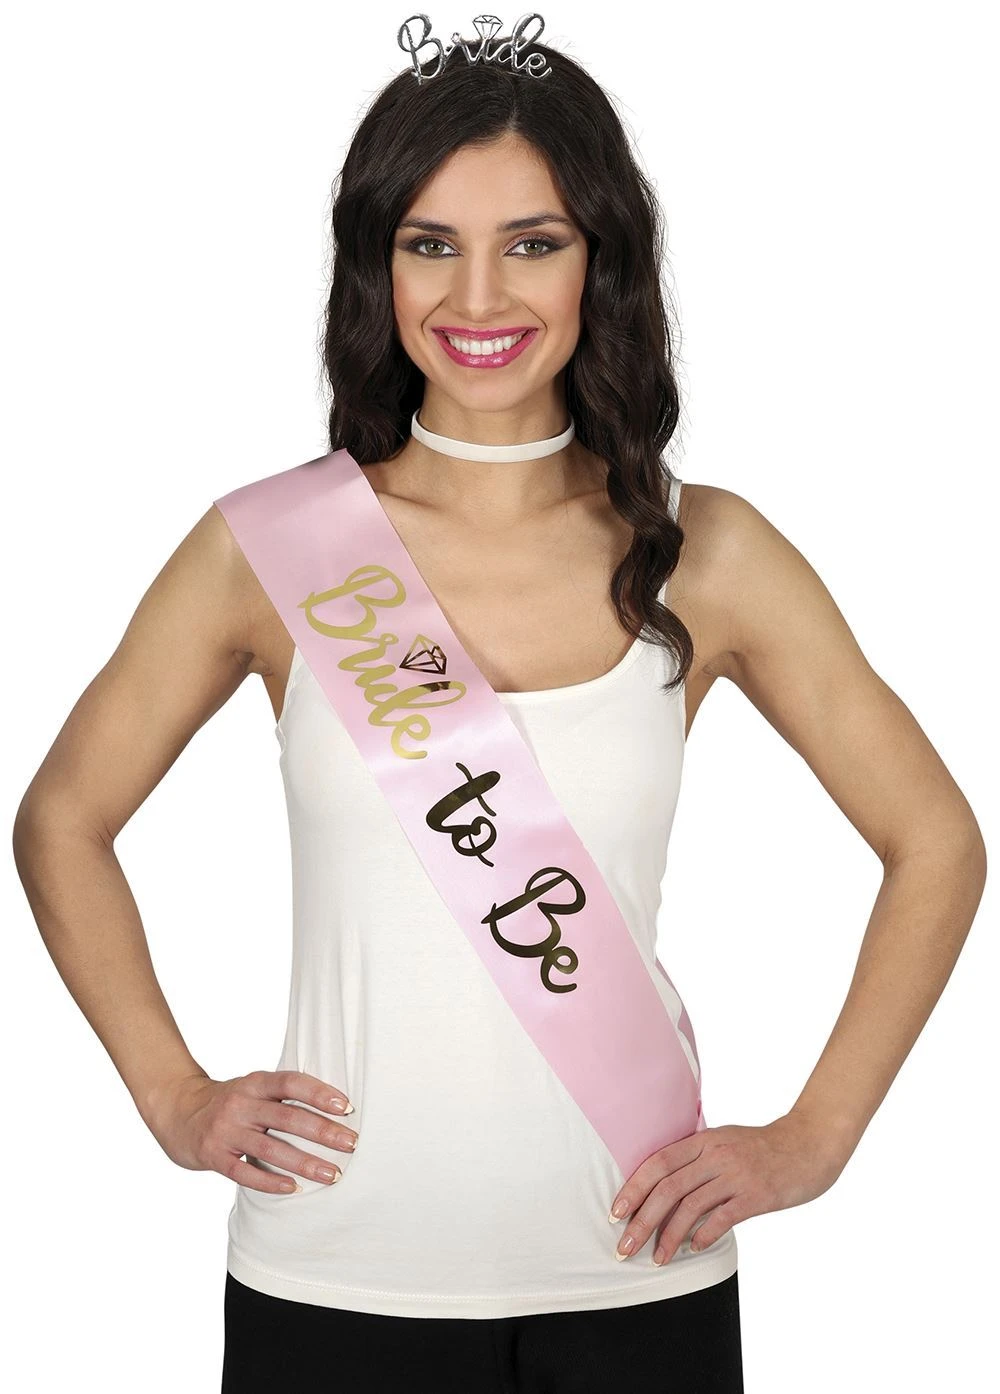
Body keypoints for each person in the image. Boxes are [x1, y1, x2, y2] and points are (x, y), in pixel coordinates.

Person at [11, 16, 986, 1394]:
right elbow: (62, 819)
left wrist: (813, 1139)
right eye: (431, 242)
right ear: (378, 265)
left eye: (532, 242)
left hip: (640, 1264)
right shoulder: (269, 547)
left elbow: (937, 841)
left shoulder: (708, 551)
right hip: (333, 1274)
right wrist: (174, 1094)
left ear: (602, 260)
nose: (479, 293)